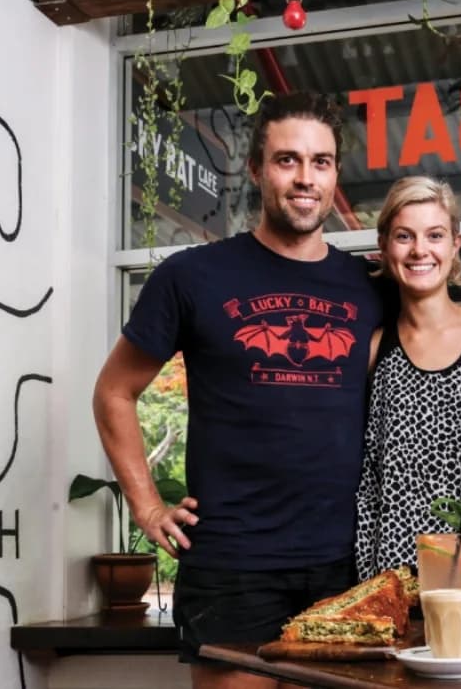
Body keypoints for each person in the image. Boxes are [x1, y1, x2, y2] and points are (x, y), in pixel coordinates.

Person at [92, 91, 382, 688]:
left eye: (320, 162)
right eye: (287, 160)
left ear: (335, 175)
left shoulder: (369, 285)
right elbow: (114, 392)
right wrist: (147, 507)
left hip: (343, 563)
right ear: (255, 168)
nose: (305, 178)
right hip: (232, 563)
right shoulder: (193, 276)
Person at [354, 176, 461, 580]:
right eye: (404, 236)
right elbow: (367, 478)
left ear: (455, 244)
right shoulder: (374, 350)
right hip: (395, 573)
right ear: (385, 246)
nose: (420, 249)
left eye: (435, 235)